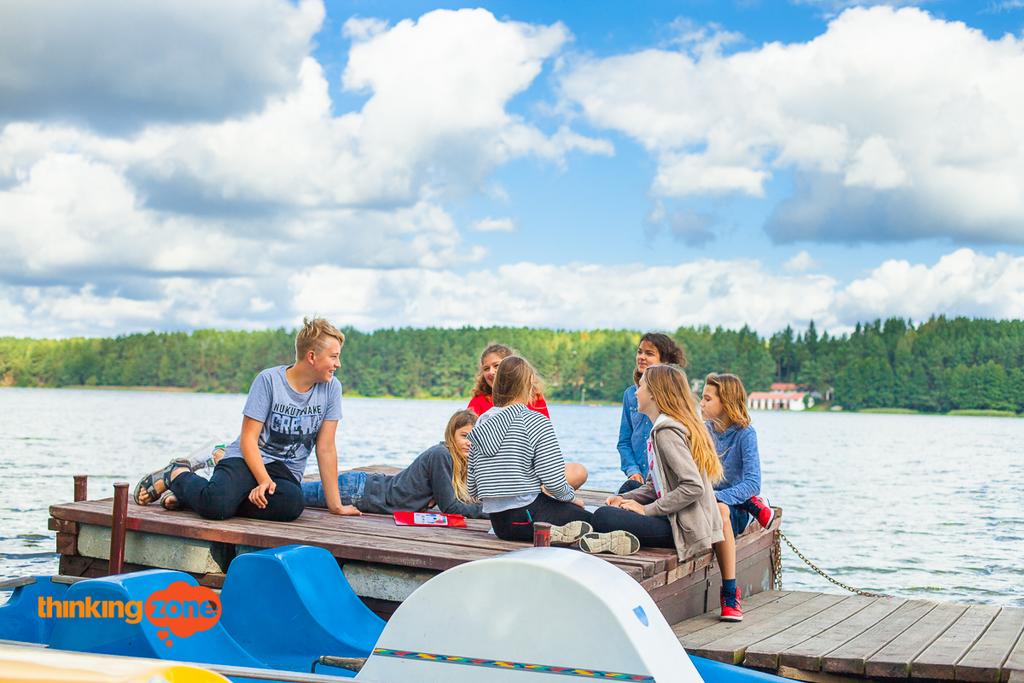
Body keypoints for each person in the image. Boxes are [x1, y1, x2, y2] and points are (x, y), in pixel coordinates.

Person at [133, 317, 355, 521]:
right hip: (247, 459)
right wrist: (264, 480)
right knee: (217, 507)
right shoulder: (268, 381)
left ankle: (200, 497)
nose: (338, 364)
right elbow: (249, 440)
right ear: (312, 357)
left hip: (284, 471)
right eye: (334, 357)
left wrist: (335, 505)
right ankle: (177, 474)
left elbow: (325, 447)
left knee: (292, 505)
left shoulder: (331, 388)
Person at [468, 356, 630, 551]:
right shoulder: (534, 421)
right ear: (528, 384)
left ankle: (556, 533)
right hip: (528, 514)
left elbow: (473, 485)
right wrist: (571, 498)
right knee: (594, 519)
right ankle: (566, 534)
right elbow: (553, 479)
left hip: (500, 524)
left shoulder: (482, 422)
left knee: (564, 514)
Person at [589, 364, 723, 581]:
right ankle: (619, 536)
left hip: (684, 530)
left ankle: (617, 536)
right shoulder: (664, 428)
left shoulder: (666, 433)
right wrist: (623, 499)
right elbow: (654, 485)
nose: (635, 392)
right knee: (626, 491)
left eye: (641, 386)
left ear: (654, 394)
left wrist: (646, 510)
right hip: (677, 518)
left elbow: (693, 486)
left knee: (603, 516)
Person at [300, 410, 485, 518]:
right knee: (296, 494)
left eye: (475, 437)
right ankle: (272, 483)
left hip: (365, 488)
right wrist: (490, 512)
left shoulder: (457, 461)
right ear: (451, 435)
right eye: (464, 436)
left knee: (296, 492)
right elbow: (451, 508)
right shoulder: (441, 455)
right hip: (358, 491)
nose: (470, 442)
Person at [699, 372, 775, 620]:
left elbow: (753, 482)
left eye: (708, 399)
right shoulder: (703, 431)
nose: (701, 403)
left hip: (731, 510)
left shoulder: (745, 434)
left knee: (720, 510)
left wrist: (718, 497)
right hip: (708, 500)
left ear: (726, 402)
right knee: (715, 506)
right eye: (702, 398)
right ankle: (754, 505)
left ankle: (730, 594)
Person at [617, 333, 686, 494]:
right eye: (639, 351)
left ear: (664, 361)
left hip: (666, 484)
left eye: (649, 353)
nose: (641, 357)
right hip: (638, 481)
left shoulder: (675, 394)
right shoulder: (630, 394)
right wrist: (632, 470)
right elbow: (624, 441)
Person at [468, 344, 550, 418]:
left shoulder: (535, 398)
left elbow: (545, 431)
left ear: (513, 367)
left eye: (496, 365)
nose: (491, 372)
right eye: (486, 369)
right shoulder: (477, 403)